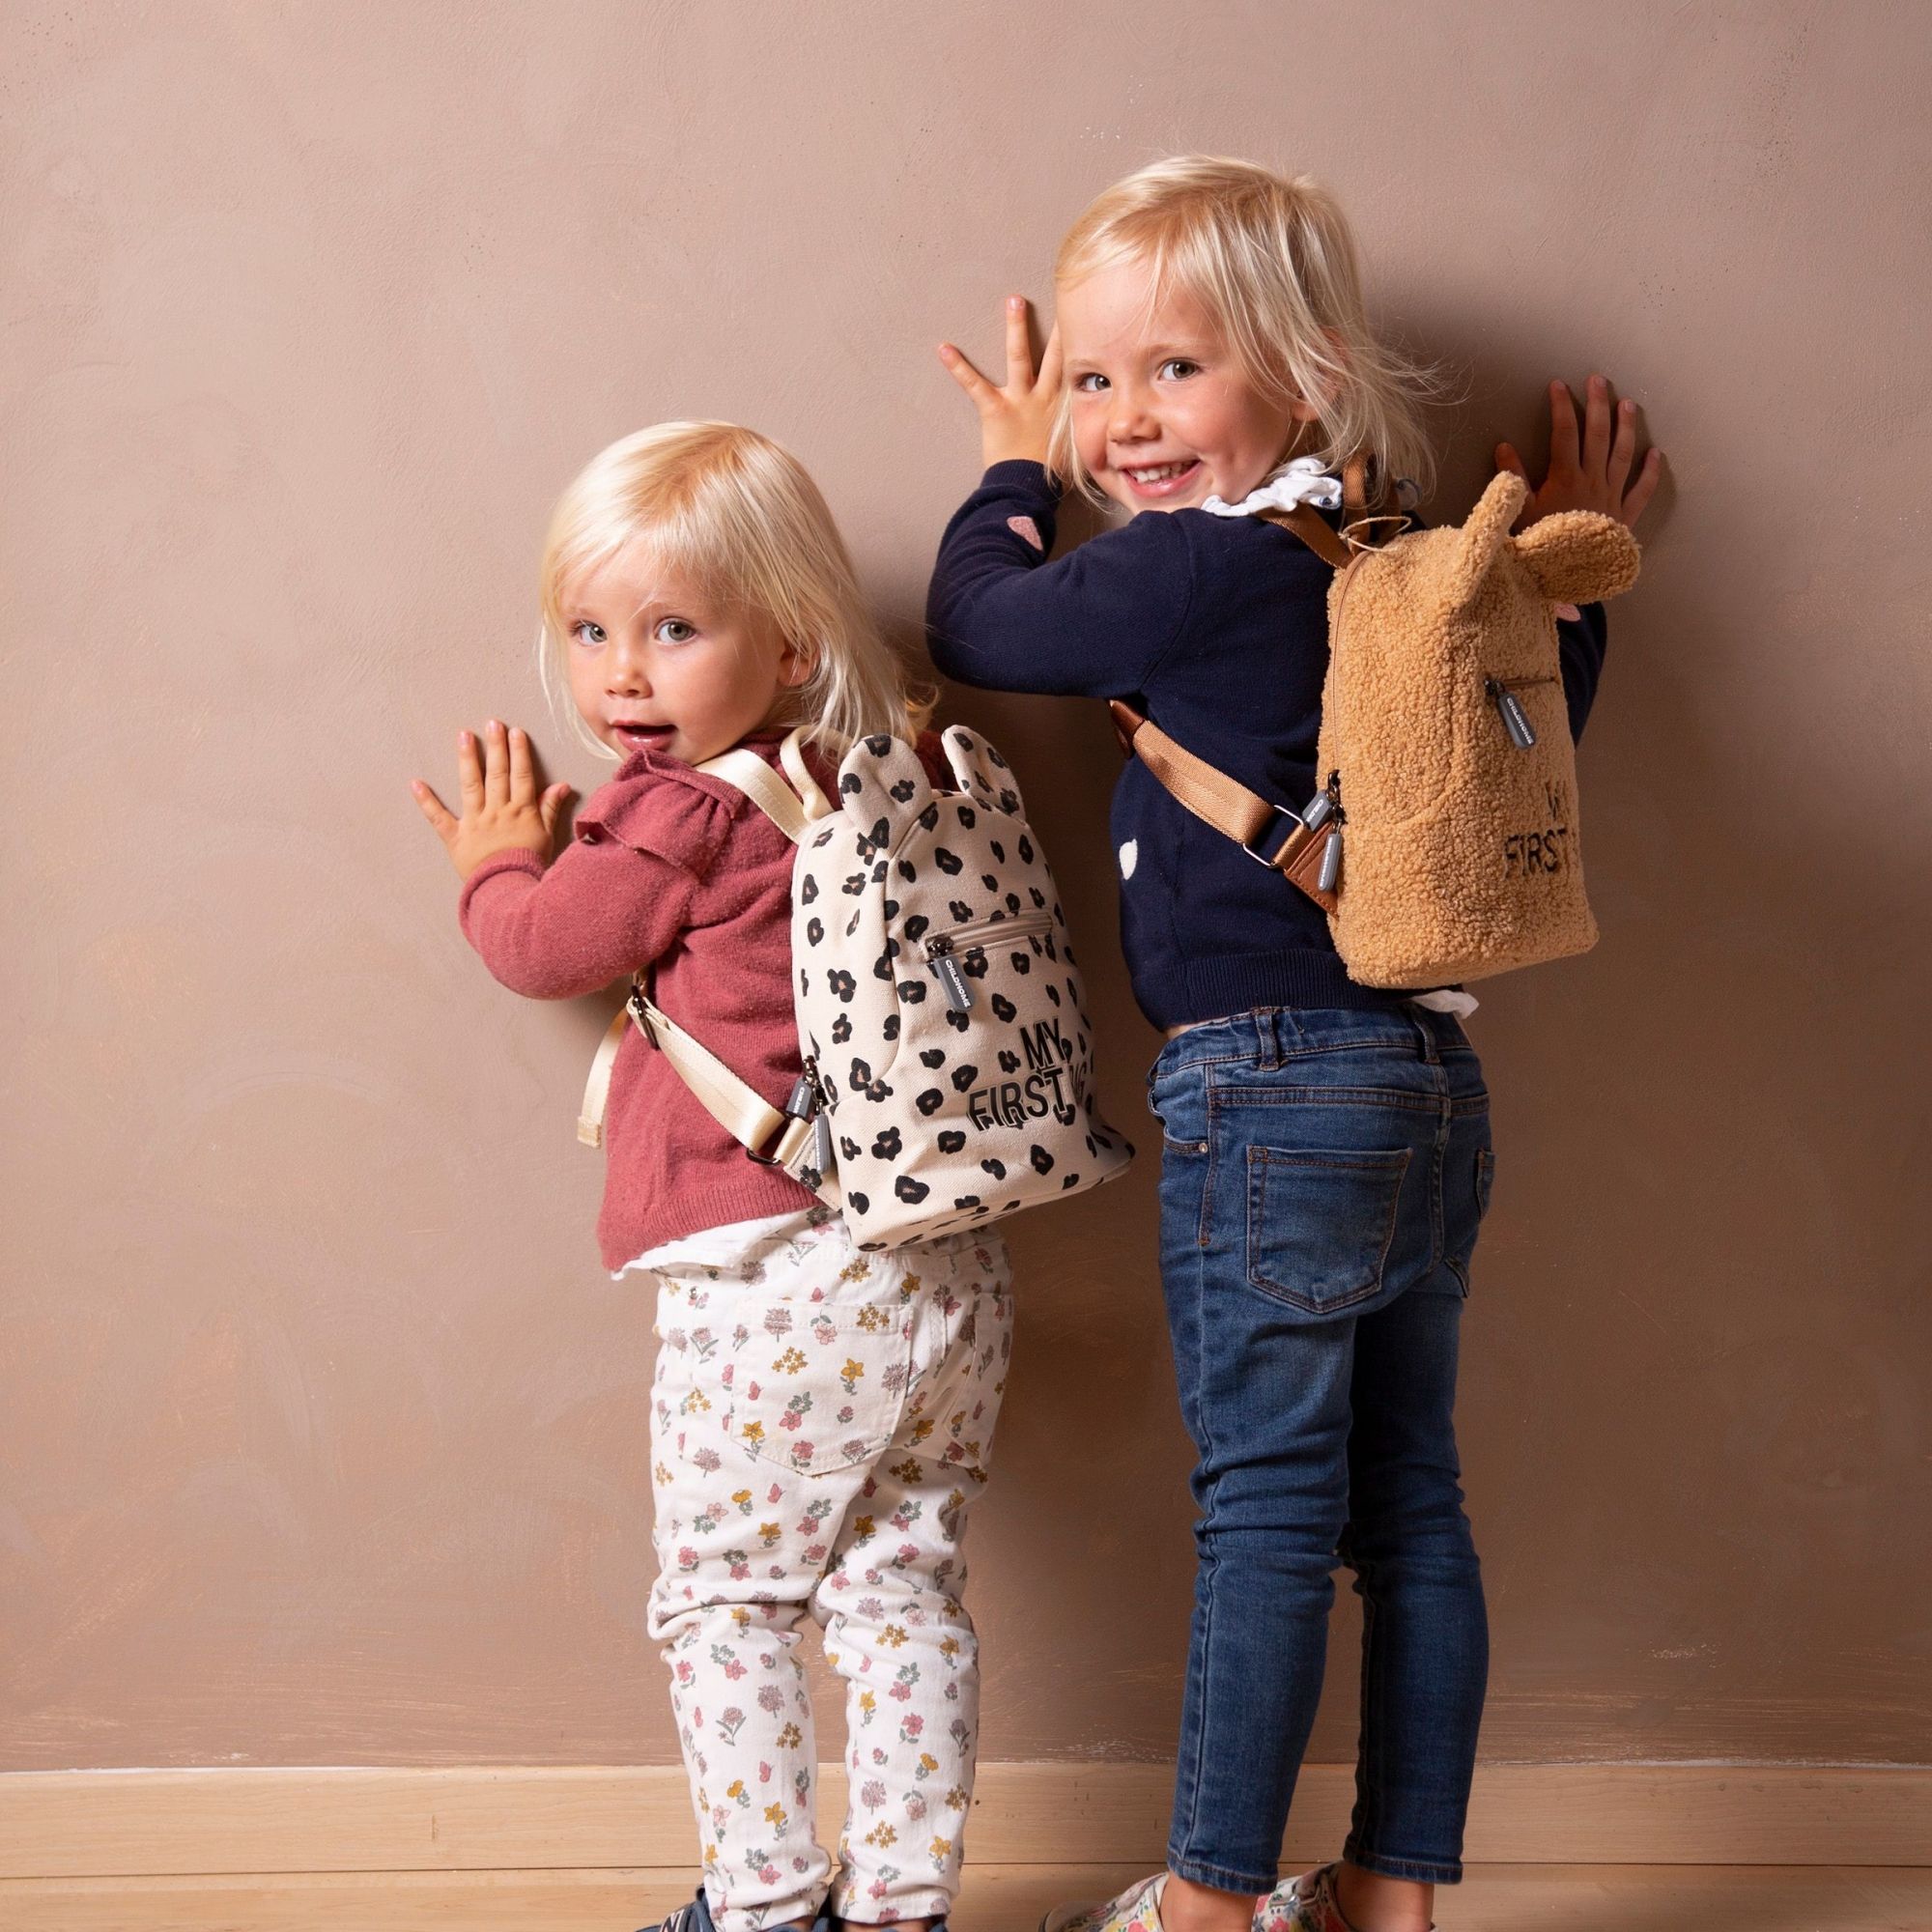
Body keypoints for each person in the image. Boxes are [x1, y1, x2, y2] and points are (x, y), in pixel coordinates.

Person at [929, 156, 1661, 1932]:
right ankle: (1393, 1894)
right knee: (1411, 1505)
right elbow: (1537, 729)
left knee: (1263, 1515)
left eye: (1172, 371)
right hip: (1427, 1083)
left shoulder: (1189, 566)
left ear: (1311, 374)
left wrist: (1010, 471)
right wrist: (1575, 577)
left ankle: (1204, 1907)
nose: (1122, 420)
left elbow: (977, 622)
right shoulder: (1411, 568)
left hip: (1263, 1085)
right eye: (1092, 383)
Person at [413, 421, 1009, 1932]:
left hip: (778, 1280)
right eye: (592, 630)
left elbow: (544, 949)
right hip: (941, 1258)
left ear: (792, 638)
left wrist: (498, 858)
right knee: (897, 1593)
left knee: (729, 1603)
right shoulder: (878, 773)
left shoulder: (680, 808)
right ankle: (900, 1909)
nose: (621, 674)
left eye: (674, 630)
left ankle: (760, 1908)